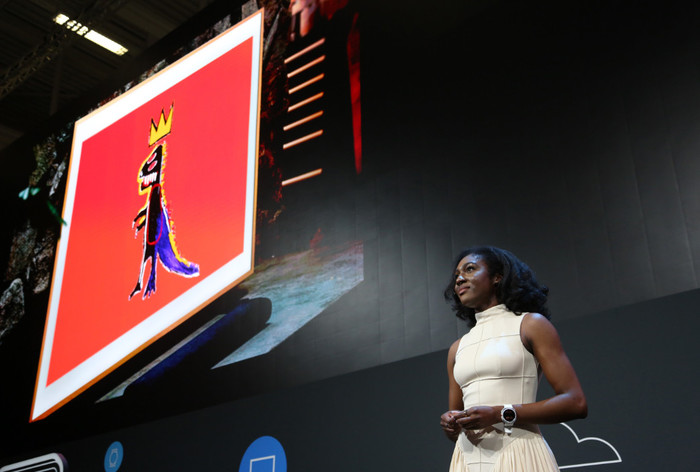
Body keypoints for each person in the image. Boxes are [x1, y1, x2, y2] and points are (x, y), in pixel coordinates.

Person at [440, 246, 587, 472]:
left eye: (469, 269)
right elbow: (456, 427)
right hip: (466, 462)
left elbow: (575, 403)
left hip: (519, 454)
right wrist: (451, 423)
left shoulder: (531, 325)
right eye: (456, 275)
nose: (459, 279)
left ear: (497, 276)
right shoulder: (456, 349)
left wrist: (500, 413)